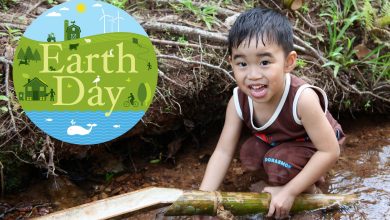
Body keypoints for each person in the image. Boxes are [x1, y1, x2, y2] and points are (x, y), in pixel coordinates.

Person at [198, 7, 345, 219]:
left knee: (277, 163)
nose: (253, 75)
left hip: (316, 144)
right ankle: (279, 179)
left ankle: (310, 190)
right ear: (231, 63)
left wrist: (290, 191)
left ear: (288, 62)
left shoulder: (302, 99)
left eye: (265, 62)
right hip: (279, 142)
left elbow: (329, 151)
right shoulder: (238, 100)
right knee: (249, 153)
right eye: (242, 64)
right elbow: (223, 152)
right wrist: (204, 197)